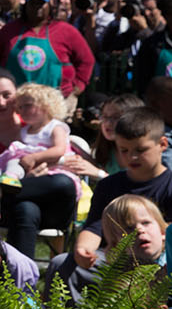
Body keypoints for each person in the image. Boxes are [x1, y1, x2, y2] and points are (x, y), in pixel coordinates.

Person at [0, 69, 78, 258]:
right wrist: (30, 178)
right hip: (7, 208)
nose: (1, 102)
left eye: (7, 95)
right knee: (26, 208)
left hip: (52, 204)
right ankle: (20, 281)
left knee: (63, 184)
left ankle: (10, 188)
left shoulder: (37, 124)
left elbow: (67, 155)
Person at [72, 107, 172, 270]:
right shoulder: (108, 185)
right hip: (114, 260)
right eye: (124, 150)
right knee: (62, 262)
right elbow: (95, 226)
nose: (132, 157)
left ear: (162, 144)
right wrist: (83, 249)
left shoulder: (169, 185)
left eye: (141, 150)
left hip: (161, 263)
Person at [0, 0, 95, 111]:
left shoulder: (66, 31)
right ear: (25, 6)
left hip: (58, 101)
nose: (37, 7)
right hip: (17, 102)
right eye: (33, 3)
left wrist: (77, 87)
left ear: (50, 5)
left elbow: (87, 60)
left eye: (42, 3)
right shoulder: (8, 31)